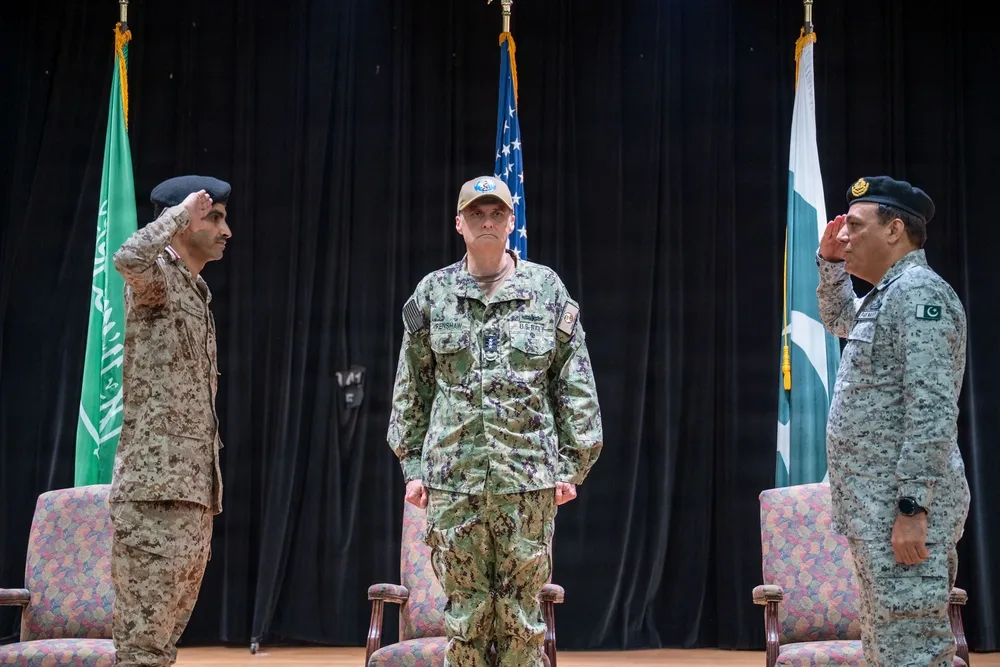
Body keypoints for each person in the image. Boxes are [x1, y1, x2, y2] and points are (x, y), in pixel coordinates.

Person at [387, 175, 604, 666]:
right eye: (476, 214)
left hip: (526, 483)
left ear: (511, 222)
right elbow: (412, 388)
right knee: (464, 620)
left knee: (522, 622)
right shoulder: (433, 293)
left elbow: (575, 383)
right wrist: (412, 467)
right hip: (453, 484)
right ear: (458, 223)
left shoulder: (545, 289)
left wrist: (573, 465)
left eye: (497, 214)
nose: (487, 222)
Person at [816, 175, 970, 667]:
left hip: (901, 514)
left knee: (913, 653)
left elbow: (932, 409)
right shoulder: (888, 295)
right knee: (888, 649)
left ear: (894, 229)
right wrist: (830, 266)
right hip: (875, 511)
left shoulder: (919, 295)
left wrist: (912, 508)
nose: (844, 235)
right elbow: (840, 322)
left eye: (855, 226)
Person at [109, 175, 232, 666]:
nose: (226, 231)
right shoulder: (157, 278)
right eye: (214, 218)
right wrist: (179, 212)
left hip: (191, 493)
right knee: (142, 650)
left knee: (161, 649)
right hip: (153, 495)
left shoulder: (195, 290)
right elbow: (127, 258)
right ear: (182, 222)